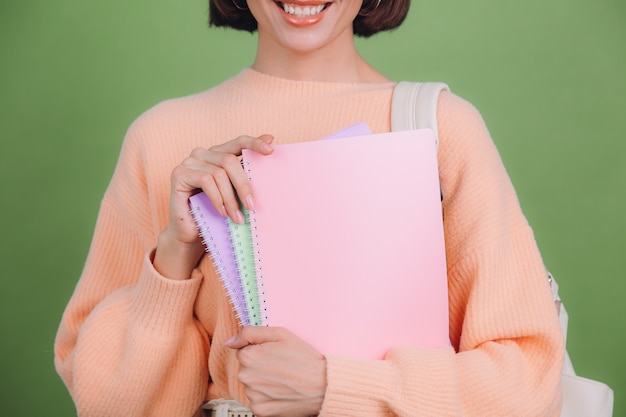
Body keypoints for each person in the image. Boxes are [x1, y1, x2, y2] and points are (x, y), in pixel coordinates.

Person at [54, 0, 565, 416]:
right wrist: (175, 252)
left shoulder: (439, 131)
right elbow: (109, 405)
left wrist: (333, 385)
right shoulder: (160, 138)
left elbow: (527, 383)